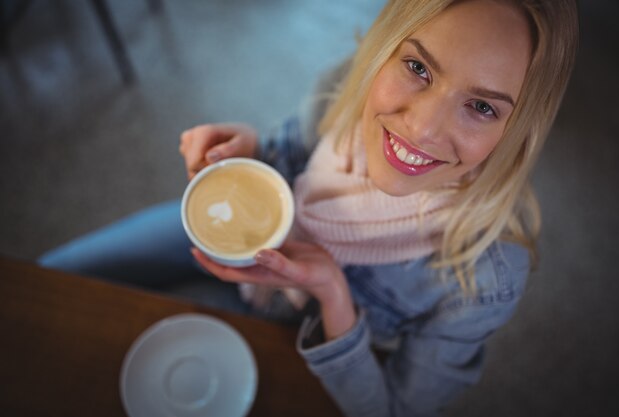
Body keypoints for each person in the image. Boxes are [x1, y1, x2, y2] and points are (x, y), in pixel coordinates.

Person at [40, 0, 579, 415]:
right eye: (418, 67)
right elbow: (285, 158)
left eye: (481, 106)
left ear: (520, 131)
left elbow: (394, 409)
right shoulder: (345, 88)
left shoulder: (485, 276)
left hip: (285, 324)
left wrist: (332, 298)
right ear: (383, 48)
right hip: (237, 238)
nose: (422, 127)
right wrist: (256, 151)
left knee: (113, 353)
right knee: (50, 281)